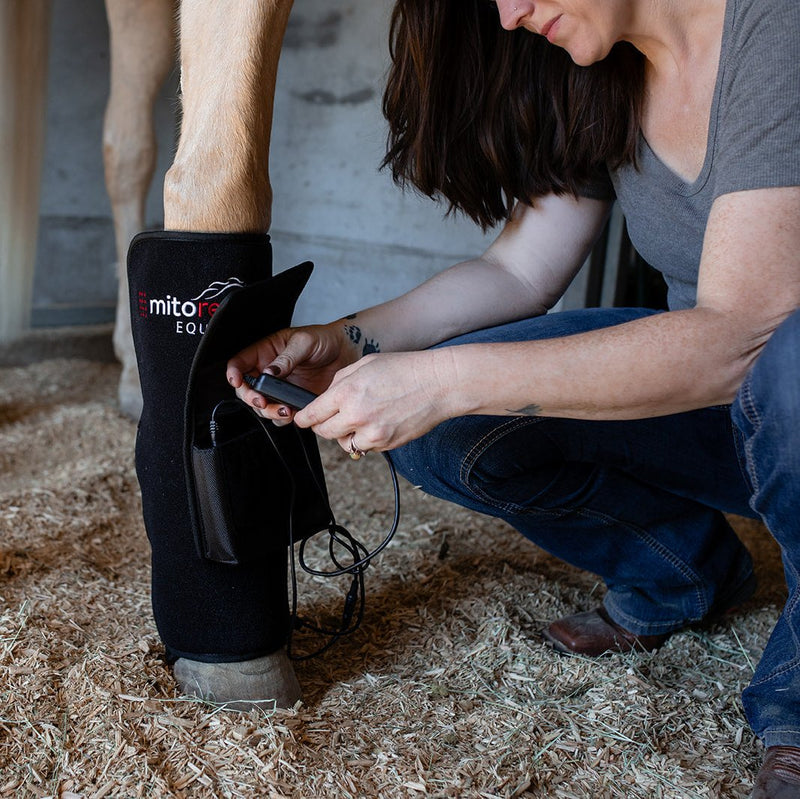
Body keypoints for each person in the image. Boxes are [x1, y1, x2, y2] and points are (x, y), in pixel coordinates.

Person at [226, 0, 800, 794]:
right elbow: (519, 273)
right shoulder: (610, 66)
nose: (506, 12)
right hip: (732, 410)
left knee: (793, 357)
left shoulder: (777, 30)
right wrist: (351, 339)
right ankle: (682, 571)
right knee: (454, 430)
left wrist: (442, 380)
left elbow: (740, 336)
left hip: (780, 387)